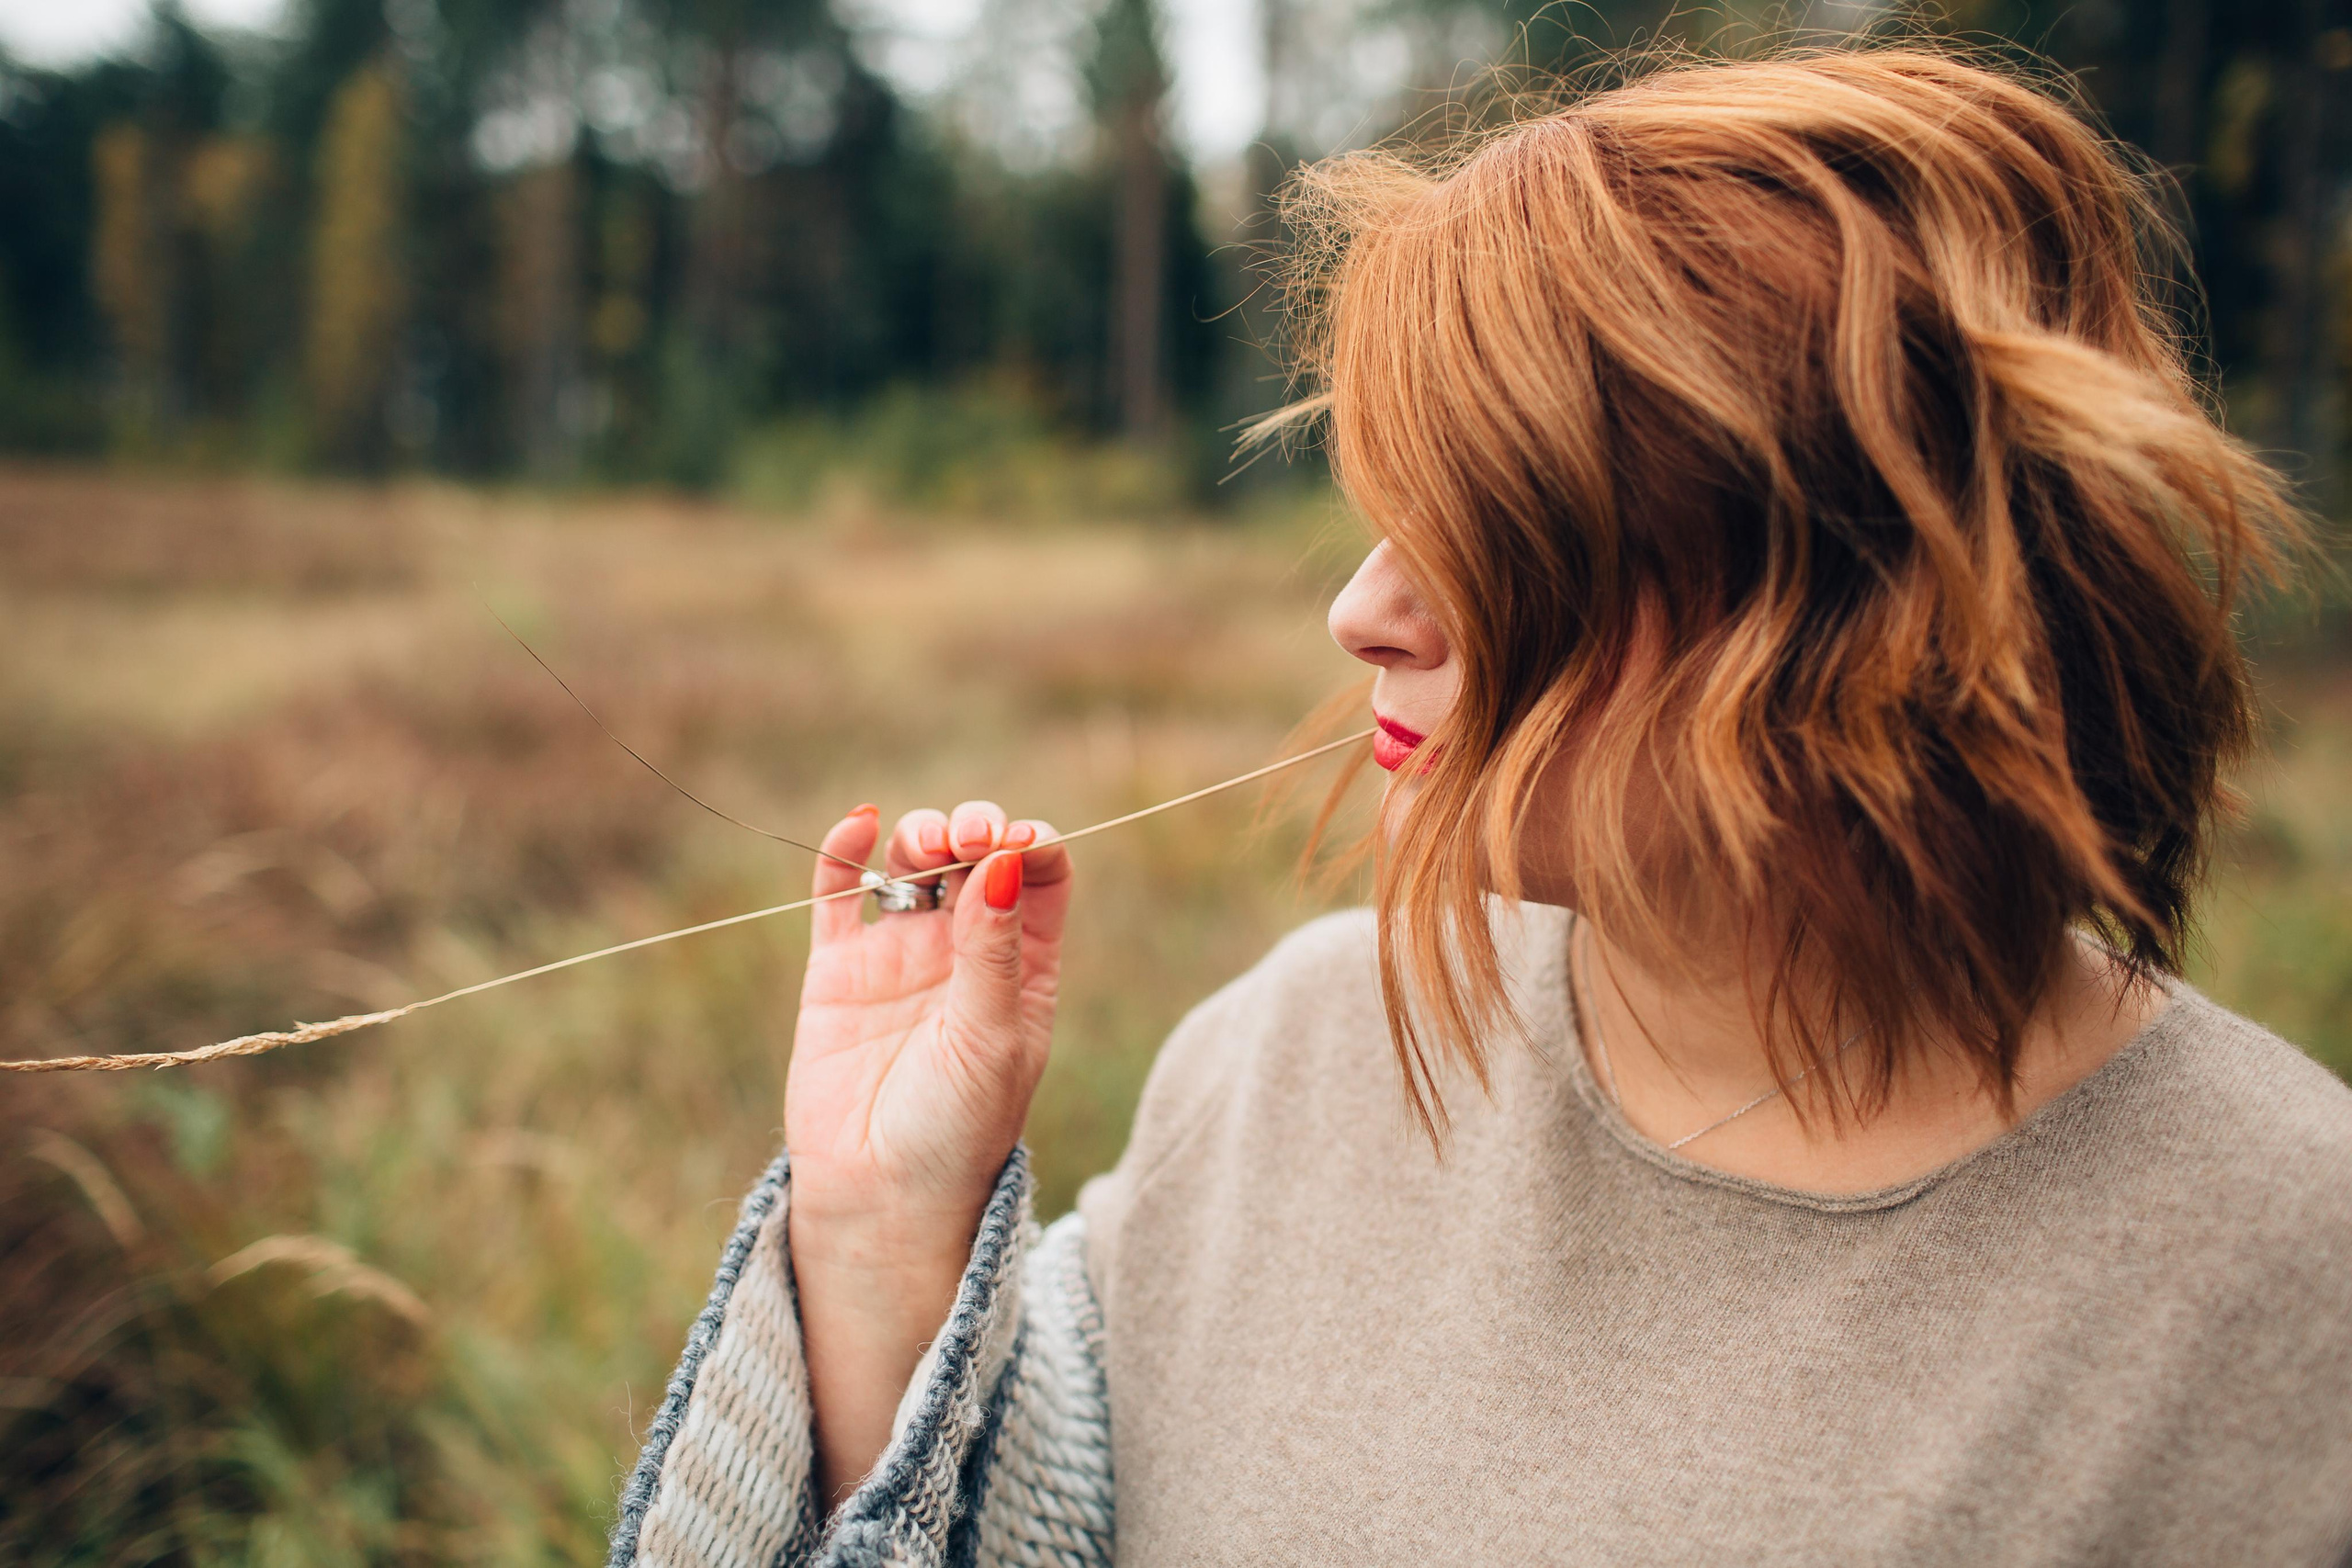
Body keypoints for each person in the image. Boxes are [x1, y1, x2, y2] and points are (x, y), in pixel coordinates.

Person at [606, 45, 2352, 1568]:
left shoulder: (2285, 1266)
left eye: (1497, 539)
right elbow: (1025, 1524)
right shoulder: (1287, 1055)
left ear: (1845, 595)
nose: (1363, 611)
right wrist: (879, 1229)